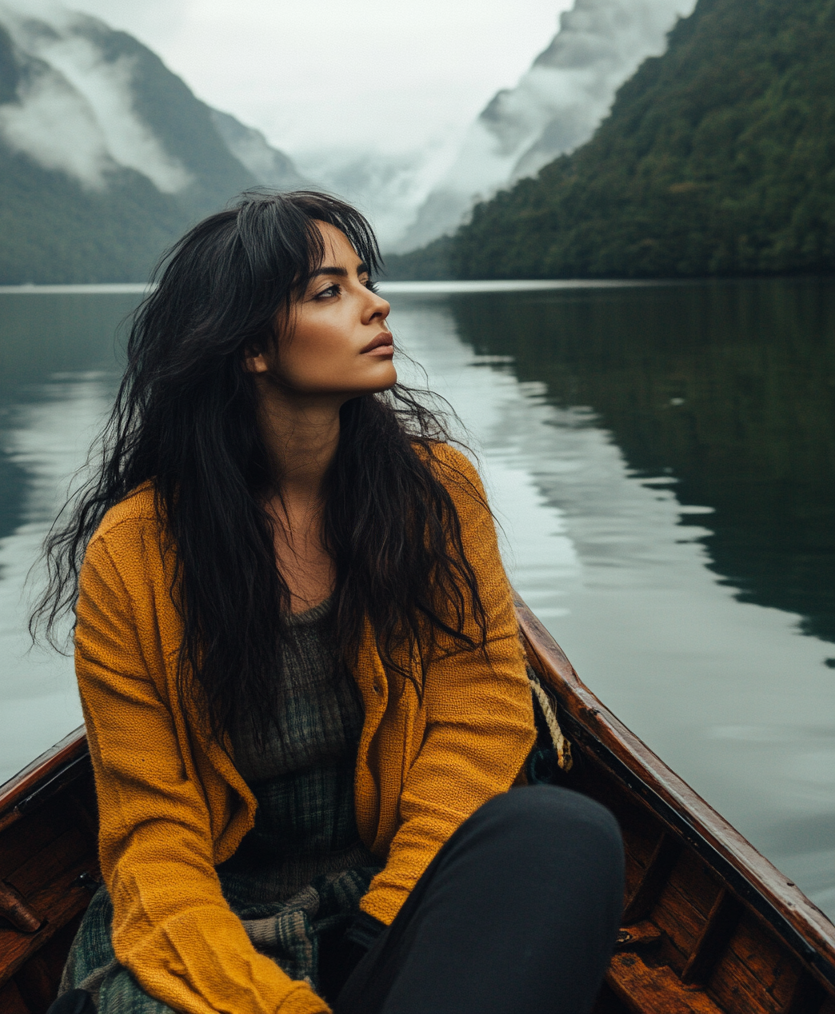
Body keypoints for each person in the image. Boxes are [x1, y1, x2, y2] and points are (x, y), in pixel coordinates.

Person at [37, 191, 624, 1014]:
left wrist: (379, 929)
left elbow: (480, 720)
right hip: (211, 921)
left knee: (567, 836)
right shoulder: (133, 557)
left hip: (395, 893)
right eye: (329, 290)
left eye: (365, 279)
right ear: (249, 348)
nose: (376, 303)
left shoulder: (438, 495)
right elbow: (152, 836)